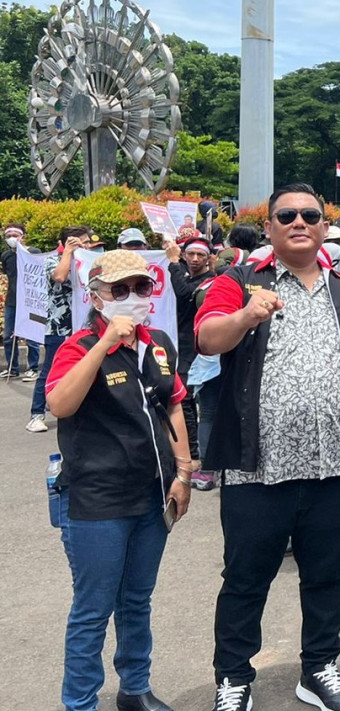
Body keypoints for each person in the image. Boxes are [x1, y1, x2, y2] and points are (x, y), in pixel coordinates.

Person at [196, 184, 340, 711]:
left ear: (325, 225)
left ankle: (320, 667)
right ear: (271, 227)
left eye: (311, 214)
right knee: (244, 578)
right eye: (287, 215)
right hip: (257, 466)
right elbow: (208, 338)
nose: (300, 221)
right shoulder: (238, 281)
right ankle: (234, 677)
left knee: (326, 574)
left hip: (335, 463)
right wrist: (244, 316)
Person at [46, 249, 193, 711]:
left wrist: (184, 471)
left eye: (141, 288)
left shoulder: (160, 343)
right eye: (120, 290)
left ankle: (135, 687)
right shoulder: (77, 346)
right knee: (93, 609)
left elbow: (174, 406)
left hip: (152, 496)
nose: (132, 297)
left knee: (137, 600)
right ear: (96, 297)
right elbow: (60, 405)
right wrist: (104, 342)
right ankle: (80, 702)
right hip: (97, 500)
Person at [30, 226, 100, 433]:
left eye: (87, 242)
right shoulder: (53, 260)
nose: (86, 246)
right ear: (66, 243)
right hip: (59, 325)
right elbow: (59, 277)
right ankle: (36, 414)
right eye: (81, 242)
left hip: (84, 325)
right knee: (50, 367)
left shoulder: (89, 260)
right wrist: (68, 252)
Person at [166, 235, 216, 489]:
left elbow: (184, 294)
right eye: (191, 255)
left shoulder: (208, 282)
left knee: (196, 406)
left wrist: (173, 263)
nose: (195, 259)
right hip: (178, 346)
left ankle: (199, 459)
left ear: (209, 259)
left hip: (197, 352)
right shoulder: (182, 274)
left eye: (200, 255)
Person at [2, 223, 40, 380]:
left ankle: (33, 368)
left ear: (23, 237)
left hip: (30, 301)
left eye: (15, 235)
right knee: (8, 336)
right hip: (12, 301)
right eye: (8, 235)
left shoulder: (33, 253)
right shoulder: (6, 256)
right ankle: (13, 368)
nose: (12, 238)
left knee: (31, 336)